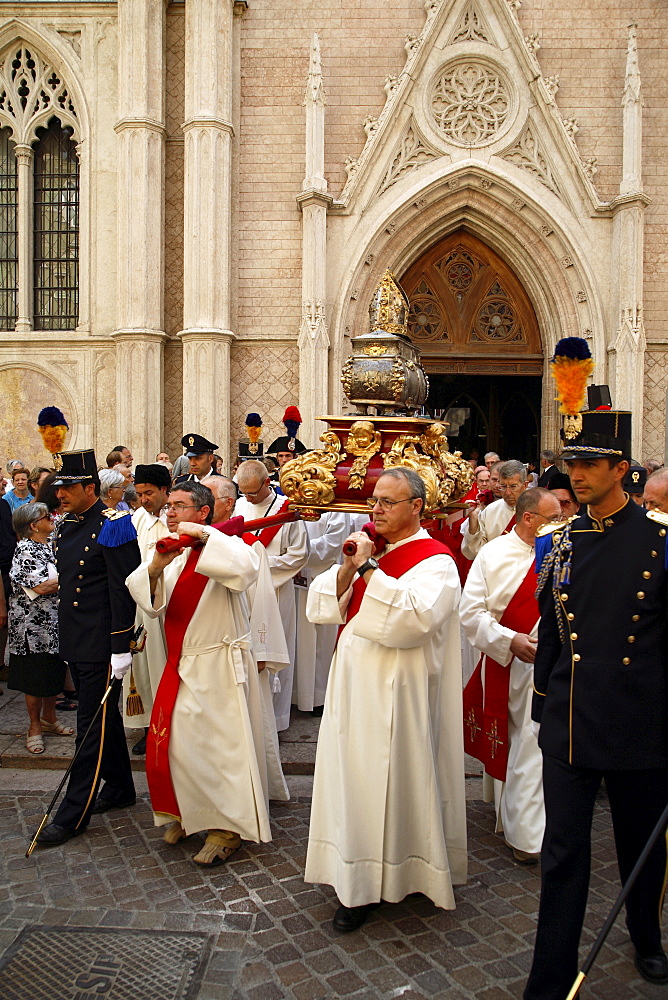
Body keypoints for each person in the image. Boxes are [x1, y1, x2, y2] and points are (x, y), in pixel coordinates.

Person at [524, 410, 668, 998]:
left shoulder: (661, 542)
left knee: (643, 843)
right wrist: (543, 709)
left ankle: (646, 937)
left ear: (620, 469)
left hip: (642, 722)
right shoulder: (556, 543)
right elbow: (553, 636)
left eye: (588, 464)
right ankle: (551, 969)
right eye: (571, 464)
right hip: (571, 722)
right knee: (562, 852)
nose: (575, 475)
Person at [305, 467, 467, 932]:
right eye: (374, 500)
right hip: (352, 681)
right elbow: (325, 603)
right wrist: (349, 568)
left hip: (398, 689)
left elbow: (413, 620)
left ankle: (397, 873)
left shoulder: (437, 561)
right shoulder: (367, 549)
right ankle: (351, 872)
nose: (376, 509)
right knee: (351, 776)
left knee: (391, 778)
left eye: (388, 502)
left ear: (417, 507)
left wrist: (370, 567)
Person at [126, 481, 288, 866]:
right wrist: (154, 568)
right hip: (181, 660)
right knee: (181, 744)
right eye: (169, 507)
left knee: (220, 749)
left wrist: (204, 536)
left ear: (202, 512)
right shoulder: (171, 551)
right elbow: (145, 598)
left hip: (218, 664)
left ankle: (226, 827)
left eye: (179, 507)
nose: (170, 513)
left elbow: (245, 571)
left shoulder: (225, 544)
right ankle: (188, 811)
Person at [35, 449, 140, 848]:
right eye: (59, 488)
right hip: (75, 638)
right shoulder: (67, 526)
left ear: (90, 488)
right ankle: (120, 788)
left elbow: (122, 589)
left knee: (89, 728)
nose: (60, 495)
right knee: (102, 717)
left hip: (100, 643)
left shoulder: (114, 526)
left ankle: (72, 813)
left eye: (68, 488)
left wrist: (120, 646)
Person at [460, 488, 561, 864]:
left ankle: (530, 831)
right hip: (510, 661)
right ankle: (523, 829)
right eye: (553, 517)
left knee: (535, 745)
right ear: (528, 518)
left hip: (555, 662)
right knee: (522, 741)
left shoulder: (565, 550)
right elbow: (470, 613)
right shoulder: (493, 554)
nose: (561, 523)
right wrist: (509, 639)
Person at [235, 459, 308, 731]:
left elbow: (299, 555)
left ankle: (275, 721)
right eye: (244, 492)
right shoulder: (240, 507)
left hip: (276, 592)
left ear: (267, 482)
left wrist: (262, 565)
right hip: (244, 590)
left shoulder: (288, 510)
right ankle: (250, 716)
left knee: (274, 649)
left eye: (253, 492)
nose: (249, 498)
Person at [7, 502, 74, 754]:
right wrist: (74, 573)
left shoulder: (48, 545)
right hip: (31, 629)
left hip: (53, 624)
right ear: (34, 525)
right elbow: (42, 586)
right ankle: (34, 727)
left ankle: (49, 719)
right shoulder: (25, 549)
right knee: (34, 680)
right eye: (47, 517)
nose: (52, 519)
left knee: (52, 674)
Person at [122, 464, 171, 755]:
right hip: (141, 607)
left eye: (150, 493)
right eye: (140, 493)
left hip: (169, 606)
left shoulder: (176, 518)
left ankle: (170, 721)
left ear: (165, 490)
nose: (144, 499)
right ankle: (147, 725)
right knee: (143, 669)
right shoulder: (134, 521)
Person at [293, 511, 348, 716]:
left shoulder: (336, 509)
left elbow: (334, 543)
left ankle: (319, 696)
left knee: (323, 641)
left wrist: (300, 551)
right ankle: (297, 694)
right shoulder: (295, 501)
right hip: (294, 575)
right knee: (299, 639)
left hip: (324, 576)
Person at [461, 459, 528, 560]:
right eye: (503, 486)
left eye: (513, 486)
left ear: (525, 485)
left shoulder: (538, 508)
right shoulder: (490, 511)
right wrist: (473, 520)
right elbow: (476, 550)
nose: (508, 492)